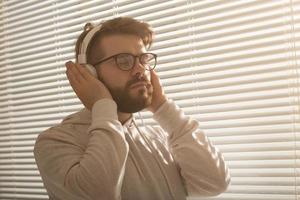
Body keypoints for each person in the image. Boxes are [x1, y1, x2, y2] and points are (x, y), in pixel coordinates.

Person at [34, 17, 230, 200]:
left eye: (143, 59)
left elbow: (215, 183)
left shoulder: (159, 137)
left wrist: (162, 106)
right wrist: (103, 106)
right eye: (124, 61)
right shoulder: (56, 141)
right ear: (90, 74)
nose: (140, 70)